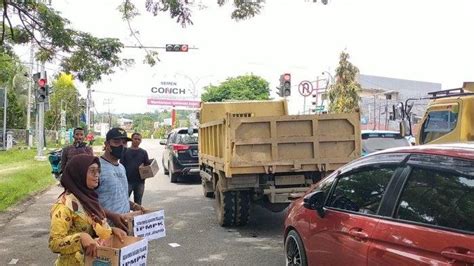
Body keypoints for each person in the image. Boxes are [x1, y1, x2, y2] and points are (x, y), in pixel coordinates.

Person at [49, 154, 127, 265]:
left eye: (98, 171)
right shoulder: (63, 206)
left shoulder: (89, 199)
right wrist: (80, 238)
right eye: (92, 171)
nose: (97, 175)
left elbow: (93, 225)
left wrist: (112, 230)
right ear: (78, 174)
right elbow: (54, 243)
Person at [95, 128, 145, 231]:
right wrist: (112, 216)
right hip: (105, 230)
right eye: (116, 142)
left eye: (124, 142)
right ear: (107, 144)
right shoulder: (96, 167)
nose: (122, 146)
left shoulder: (121, 167)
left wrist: (135, 206)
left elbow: (120, 196)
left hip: (125, 226)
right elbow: (88, 202)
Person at [121, 132, 154, 205]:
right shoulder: (125, 151)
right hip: (127, 181)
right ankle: (127, 216)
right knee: (124, 202)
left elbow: (148, 165)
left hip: (140, 182)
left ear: (141, 141)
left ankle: (137, 216)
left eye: (139, 139)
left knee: (138, 204)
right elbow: (121, 165)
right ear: (131, 139)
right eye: (135, 139)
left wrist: (144, 167)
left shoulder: (143, 152)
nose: (137, 141)